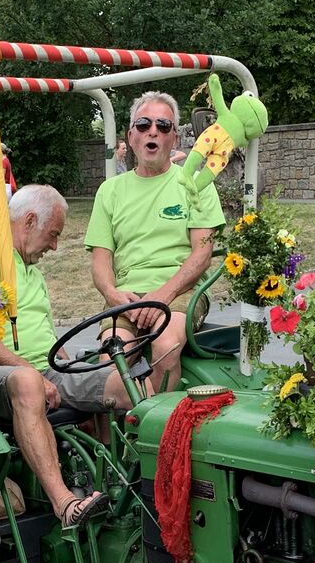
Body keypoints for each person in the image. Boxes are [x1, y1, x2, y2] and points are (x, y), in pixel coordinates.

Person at [0, 185, 118, 528]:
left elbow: (50, 339)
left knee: (125, 379)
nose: (54, 246)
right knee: (27, 382)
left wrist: (72, 369)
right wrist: (31, 372)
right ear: (30, 220)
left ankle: (118, 486)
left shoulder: (32, 270)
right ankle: (64, 504)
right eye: (52, 235)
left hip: (44, 371)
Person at [84, 90, 222, 394]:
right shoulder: (110, 191)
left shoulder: (195, 184)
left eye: (163, 126)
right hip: (127, 297)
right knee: (110, 361)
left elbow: (202, 254)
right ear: (131, 136)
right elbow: (100, 261)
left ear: (174, 138)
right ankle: (118, 435)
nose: (153, 132)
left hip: (179, 292)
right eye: (144, 125)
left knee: (165, 348)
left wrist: (162, 295)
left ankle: (151, 431)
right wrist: (113, 294)